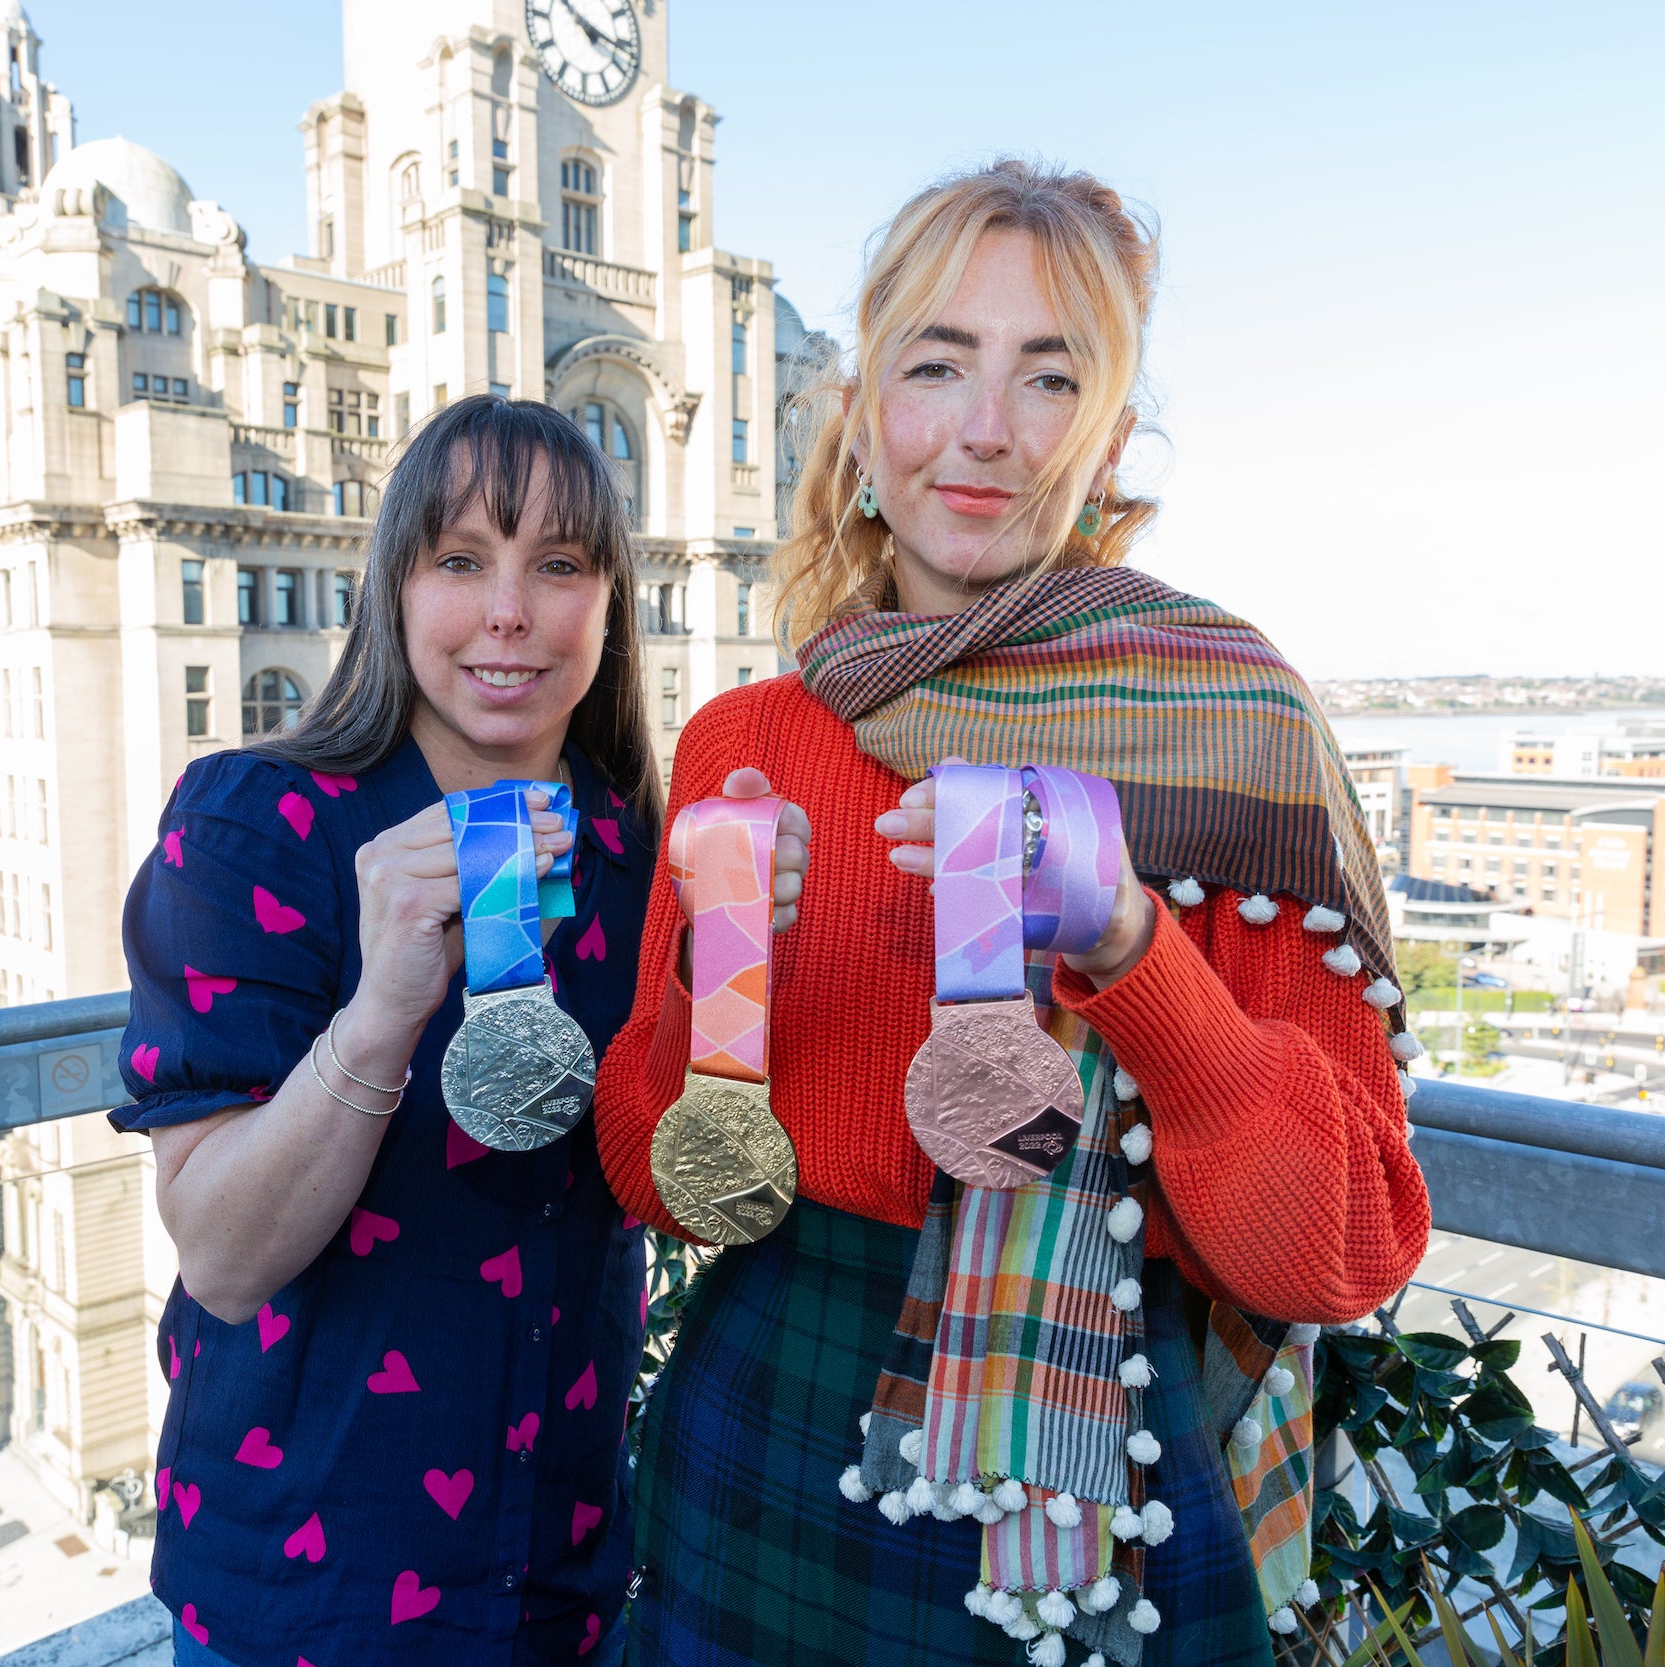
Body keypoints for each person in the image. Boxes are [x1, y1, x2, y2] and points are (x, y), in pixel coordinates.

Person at [596, 161, 1431, 1666]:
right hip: (768, 1430)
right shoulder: (749, 740)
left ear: (1106, 443)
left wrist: (1128, 947)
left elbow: (1344, 1248)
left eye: (1049, 378)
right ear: (860, 419)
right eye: (938, 364)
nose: (987, 428)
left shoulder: (1232, 731)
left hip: (1105, 1473)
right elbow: (668, 1188)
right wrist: (714, 973)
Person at [110, 398, 663, 1667]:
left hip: (562, 1576)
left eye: (560, 564)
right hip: (312, 1587)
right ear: (393, 586)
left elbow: (663, 1172)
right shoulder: (260, 827)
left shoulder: (631, 848)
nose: (510, 611)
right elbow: (225, 1256)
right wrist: (380, 1013)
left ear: (608, 601)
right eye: (461, 560)